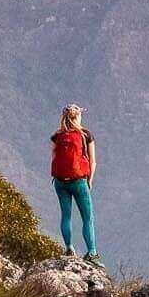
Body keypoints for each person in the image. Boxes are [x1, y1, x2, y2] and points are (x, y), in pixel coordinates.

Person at [49, 105, 98, 259]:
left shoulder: (57, 136)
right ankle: (92, 253)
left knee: (66, 215)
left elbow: (54, 158)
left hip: (60, 182)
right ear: (77, 117)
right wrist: (89, 180)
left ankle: (69, 247)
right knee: (87, 218)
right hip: (79, 181)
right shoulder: (85, 135)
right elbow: (93, 161)